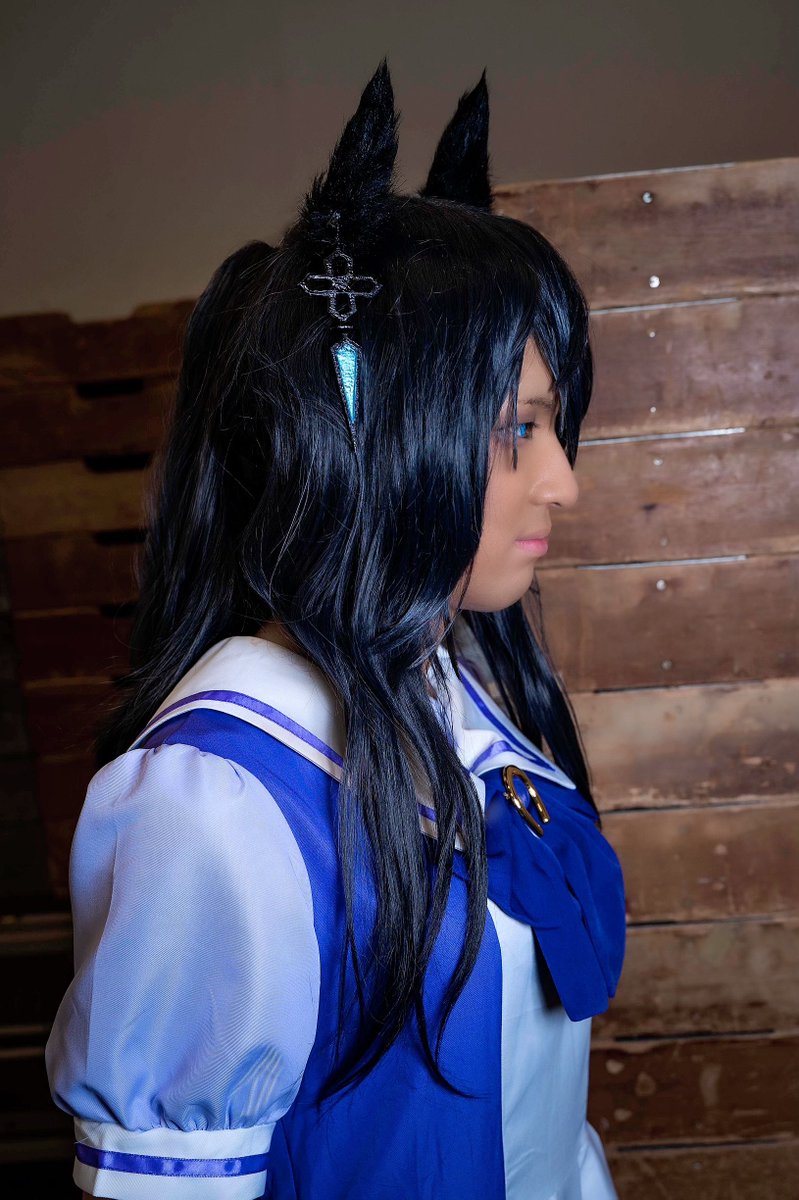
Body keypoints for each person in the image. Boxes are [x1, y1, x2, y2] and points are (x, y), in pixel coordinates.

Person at [45, 61, 626, 1200]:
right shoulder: (219, 806)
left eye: (555, 429)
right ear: (377, 442)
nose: (563, 481)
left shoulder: (456, 690)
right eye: (518, 430)